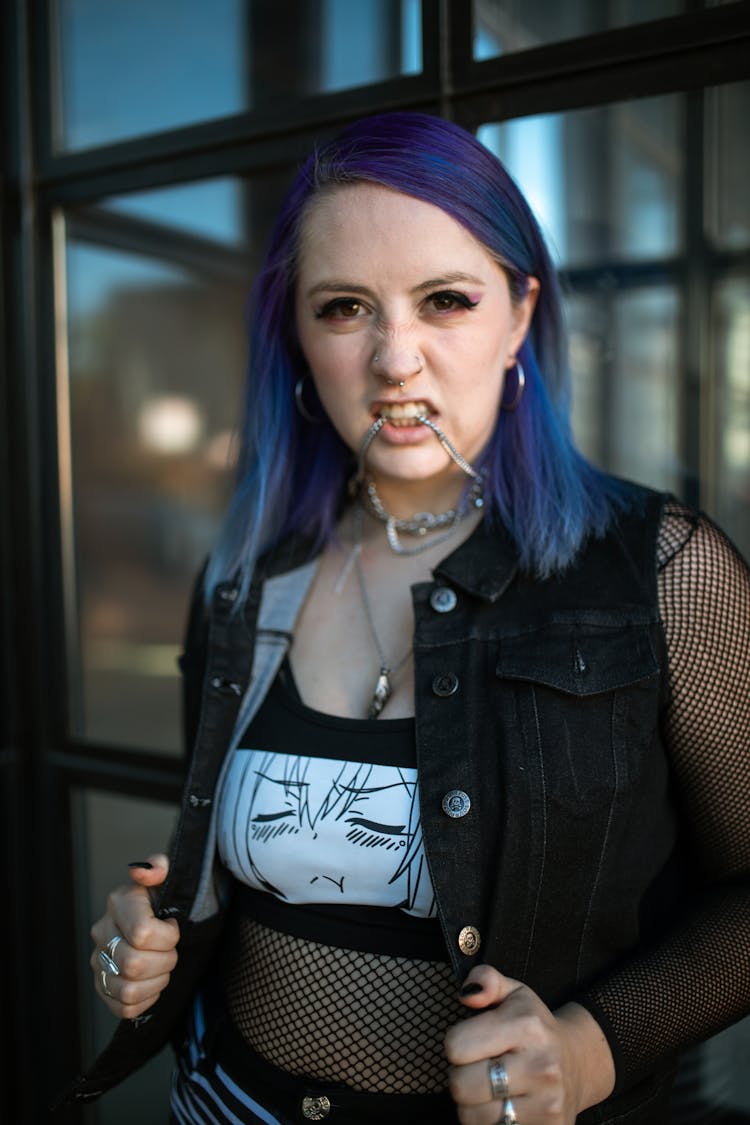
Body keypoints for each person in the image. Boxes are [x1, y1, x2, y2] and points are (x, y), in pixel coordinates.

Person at [61, 113, 749, 1125]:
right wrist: (152, 925)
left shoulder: (662, 572)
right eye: (344, 308)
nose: (396, 359)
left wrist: (589, 1051)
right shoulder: (248, 573)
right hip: (223, 1102)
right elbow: (211, 852)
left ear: (520, 313)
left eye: (446, 301)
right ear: (295, 335)